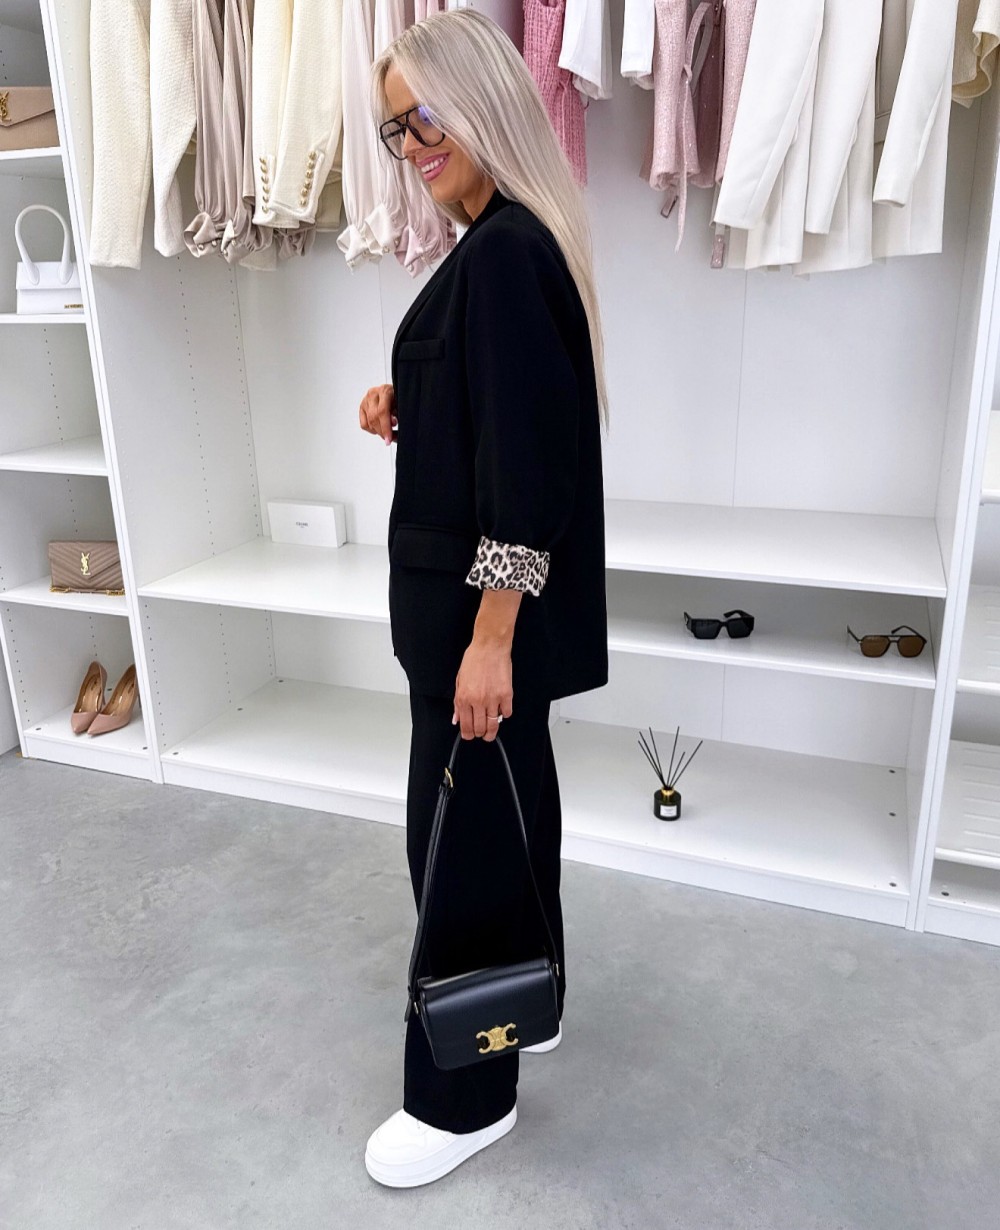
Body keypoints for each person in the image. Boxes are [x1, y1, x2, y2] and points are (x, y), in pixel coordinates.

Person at [357, 7, 610, 1188]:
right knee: (513, 814)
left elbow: (531, 474)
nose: (411, 147)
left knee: (456, 846)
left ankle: (465, 1097)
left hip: (473, 625)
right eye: (394, 130)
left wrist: (489, 640)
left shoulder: (505, 253)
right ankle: (533, 996)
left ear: (483, 103)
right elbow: (501, 421)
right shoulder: (501, 244)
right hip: (470, 617)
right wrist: (409, 401)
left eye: (424, 120)